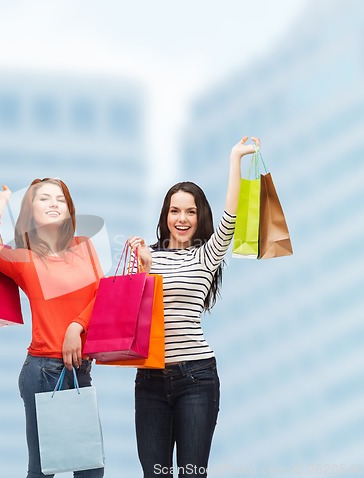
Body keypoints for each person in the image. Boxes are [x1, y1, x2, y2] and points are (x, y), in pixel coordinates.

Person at [128, 136, 261, 477]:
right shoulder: (147, 255)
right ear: (165, 214)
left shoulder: (206, 255)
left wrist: (236, 158)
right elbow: (131, 320)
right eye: (175, 210)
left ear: (200, 216)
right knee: (156, 474)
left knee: (191, 473)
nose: (182, 218)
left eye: (191, 211)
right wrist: (142, 270)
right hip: (150, 380)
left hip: (197, 377)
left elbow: (231, 214)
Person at [0, 178, 104, 478]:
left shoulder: (84, 245)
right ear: (30, 212)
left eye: (60, 198)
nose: (54, 203)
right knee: (44, 471)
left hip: (80, 371)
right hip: (44, 371)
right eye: (44, 199)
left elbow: (101, 295)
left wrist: (76, 325)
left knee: (91, 470)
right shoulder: (24, 258)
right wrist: (1, 203)